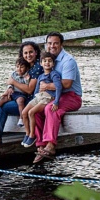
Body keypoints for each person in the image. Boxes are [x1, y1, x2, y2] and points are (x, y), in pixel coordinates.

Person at [31, 32, 83, 163]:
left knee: (50, 108)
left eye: (55, 43)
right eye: (49, 43)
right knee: (36, 110)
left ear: (61, 44)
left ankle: (51, 145)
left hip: (72, 96)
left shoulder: (68, 60)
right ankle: (41, 145)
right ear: (46, 44)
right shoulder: (47, 59)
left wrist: (47, 86)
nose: (52, 46)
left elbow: (67, 83)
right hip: (53, 96)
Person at [0, 41, 42, 146]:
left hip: (32, 100)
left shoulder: (37, 67)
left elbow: (29, 90)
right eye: (25, 53)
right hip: (22, 96)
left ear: (36, 52)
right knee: (4, 100)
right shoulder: (26, 65)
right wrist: (9, 88)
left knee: (3, 107)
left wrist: (12, 82)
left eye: (31, 52)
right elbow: (13, 78)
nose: (28, 55)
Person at [20, 51, 62, 150]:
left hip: (48, 97)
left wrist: (56, 102)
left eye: (50, 61)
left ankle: (32, 135)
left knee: (31, 112)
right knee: (24, 112)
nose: (47, 63)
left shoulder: (53, 74)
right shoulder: (41, 76)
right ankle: (27, 133)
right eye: (45, 61)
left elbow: (59, 87)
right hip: (39, 97)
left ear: (53, 63)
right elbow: (36, 90)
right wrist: (33, 100)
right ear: (41, 63)